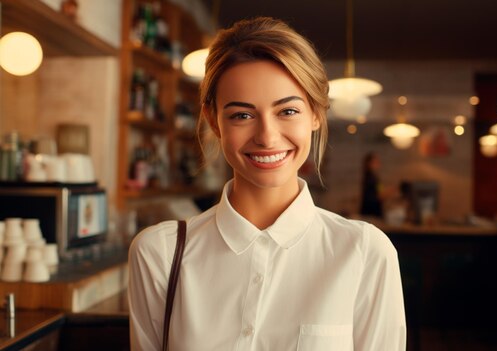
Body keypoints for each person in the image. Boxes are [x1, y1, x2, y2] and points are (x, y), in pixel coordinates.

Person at [128, 17, 406, 350]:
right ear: (213, 121)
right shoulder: (159, 253)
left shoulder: (364, 253)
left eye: (287, 111)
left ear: (316, 113)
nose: (267, 137)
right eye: (241, 115)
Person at [359, 152, 384, 217]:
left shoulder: (370, 177)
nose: (378, 164)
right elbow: (380, 194)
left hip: (368, 210)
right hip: (372, 211)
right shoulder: (371, 178)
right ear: (369, 164)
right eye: (375, 162)